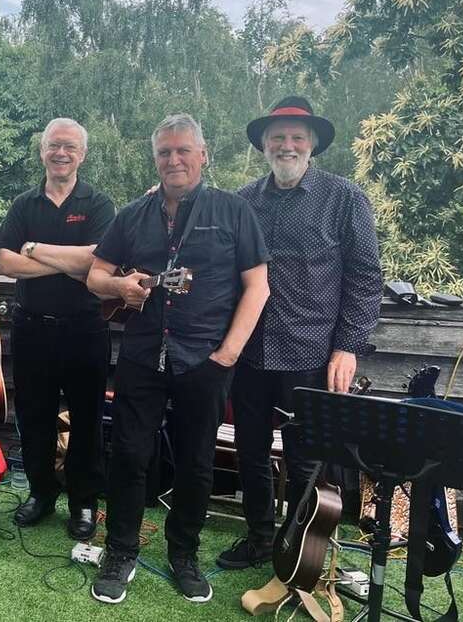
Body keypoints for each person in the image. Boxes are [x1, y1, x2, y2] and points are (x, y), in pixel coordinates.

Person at [86, 114, 270, 604]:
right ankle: (120, 551)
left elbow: (258, 286)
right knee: (128, 455)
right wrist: (118, 286)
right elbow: (94, 277)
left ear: (203, 155)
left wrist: (227, 354)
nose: (174, 160)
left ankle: (183, 554)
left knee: (196, 462)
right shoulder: (132, 216)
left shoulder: (234, 211)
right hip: (143, 356)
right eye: (165, 152)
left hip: (206, 360)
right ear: (156, 159)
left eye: (183, 150)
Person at [215, 97, 382, 570]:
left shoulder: (345, 198)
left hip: (311, 350)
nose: (286, 145)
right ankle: (259, 538)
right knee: (249, 451)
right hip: (248, 351)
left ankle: (298, 547)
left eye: (296, 138)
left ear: (312, 145)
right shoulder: (242, 200)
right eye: (278, 137)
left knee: (307, 459)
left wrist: (348, 346)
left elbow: (366, 277)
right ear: (264, 144)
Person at [0, 118, 114, 540]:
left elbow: (96, 261)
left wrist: (34, 249)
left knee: (86, 421)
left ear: (82, 154)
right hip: (32, 329)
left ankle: (84, 503)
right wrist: (67, 259)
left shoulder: (99, 204)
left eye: (69, 147)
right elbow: (4, 262)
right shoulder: (24, 203)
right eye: (53, 146)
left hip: (85, 328)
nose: (60, 153)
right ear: (41, 151)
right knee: (34, 417)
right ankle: (41, 494)